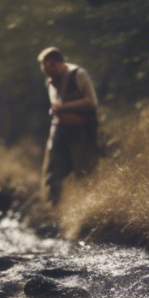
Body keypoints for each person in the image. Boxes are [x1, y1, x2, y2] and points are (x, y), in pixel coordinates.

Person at [38, 47, 100, 205]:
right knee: (52, 175)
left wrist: (63, 107)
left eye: (49, 66)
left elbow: (92, 103)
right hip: (59, 130)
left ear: (59, 63)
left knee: (84, 174)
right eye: (44, 67)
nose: (47, 71)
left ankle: (88, 211)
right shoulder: (51, 80)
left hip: (81, 132)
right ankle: (52, 212)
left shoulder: (78, 74)